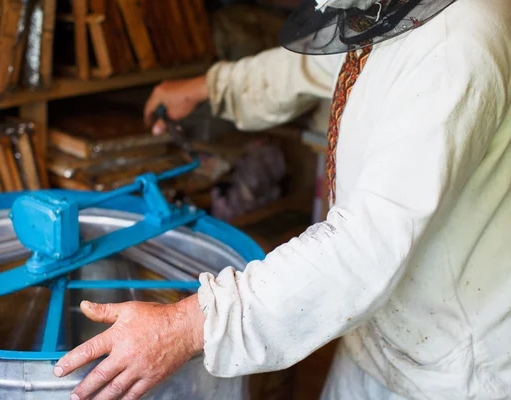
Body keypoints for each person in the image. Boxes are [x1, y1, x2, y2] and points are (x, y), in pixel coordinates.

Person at [53, 0, 511, 399]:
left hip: (453, 368)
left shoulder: (455, 47)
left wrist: (194, 324)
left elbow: (362, 246)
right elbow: (317, 64)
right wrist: (211, 87)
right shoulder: (399, 10)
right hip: (381, 332)